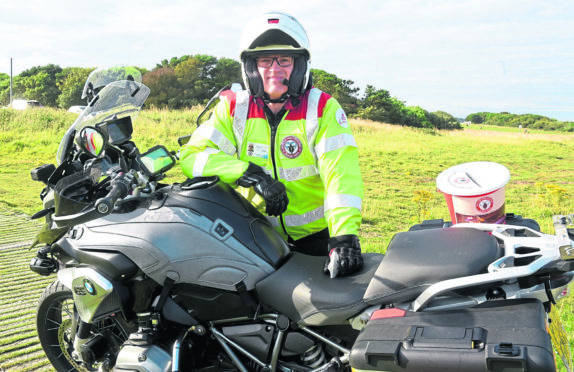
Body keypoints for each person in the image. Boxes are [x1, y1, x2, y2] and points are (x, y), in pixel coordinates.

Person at [180, 11, 364, 278]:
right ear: (251, 68)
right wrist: (247, 173)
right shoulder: (233, 108)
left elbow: (342, 178)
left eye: (285, 59)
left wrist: (344, 238)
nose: (274, 69)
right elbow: (192, 157)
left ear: (300, 65)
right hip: (254, 236)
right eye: (264, 60)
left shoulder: (322, 108)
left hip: (315, 239)